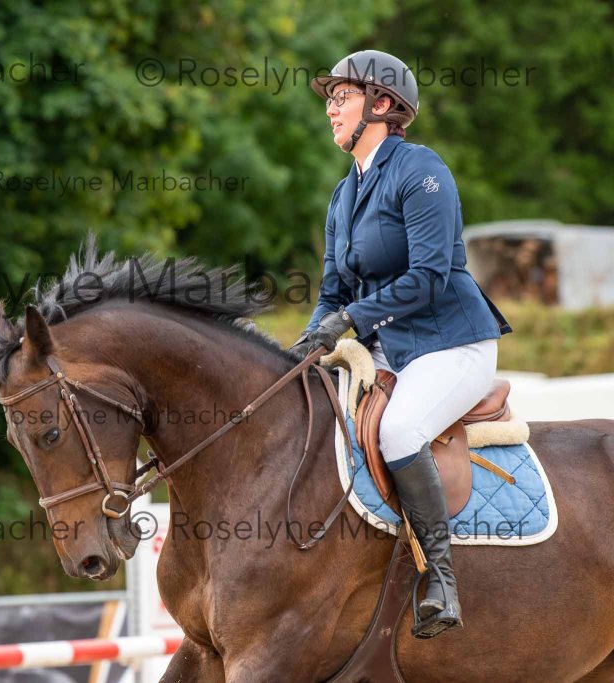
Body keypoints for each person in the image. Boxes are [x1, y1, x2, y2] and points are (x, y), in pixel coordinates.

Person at [289, 50, 513, 639]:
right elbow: (332, 292)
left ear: (382, 104)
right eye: (330, 99)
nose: (330, 109)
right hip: (388, 349)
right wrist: (307, 345)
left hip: (450, 344)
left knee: (399, 432)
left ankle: (441, 578)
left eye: (342, 96)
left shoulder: (421, 170)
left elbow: (430, 275)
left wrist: (350, 319)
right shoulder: (343, 196)